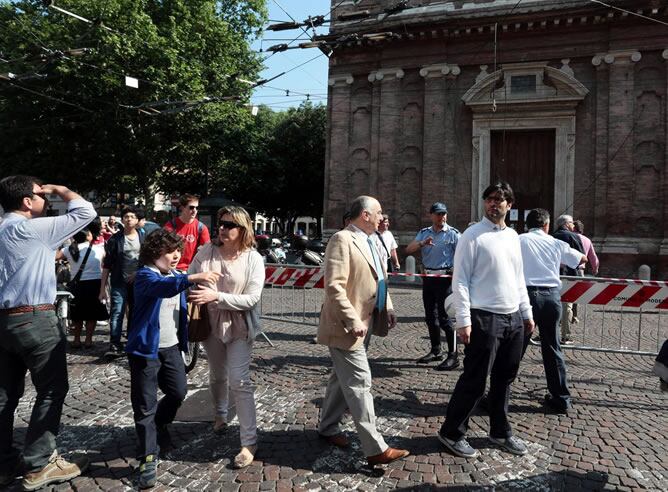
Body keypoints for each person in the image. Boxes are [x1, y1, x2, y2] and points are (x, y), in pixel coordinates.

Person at [0, 176, 95, 490]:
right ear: (27, 201)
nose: (46, 200)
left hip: (3, 321)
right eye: (39, 196)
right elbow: (85, 212)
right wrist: (60, 190)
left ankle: (2, 462)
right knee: (52, 390)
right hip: (34, 317)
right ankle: (40, 463)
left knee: (4, 396)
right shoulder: (31, 229)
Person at [437, 182, 534, 459]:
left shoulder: (514, 237)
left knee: (504, 379)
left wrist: (526, 313)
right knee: (475, 379)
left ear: (509, 205)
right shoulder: (472, 235)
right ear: (484, 203)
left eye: (500, 200)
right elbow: (461, 280)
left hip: (512, 317)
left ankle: (500, 431)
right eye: (490, 199)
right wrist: (464, 320)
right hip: (484, 317)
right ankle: (451, 432)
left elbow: (518, 279)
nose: (494, 204)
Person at [317, 195, 409, 468]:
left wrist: (388, 306)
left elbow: (380, 277)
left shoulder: (373, 240)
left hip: (366, 324)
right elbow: (334, 286)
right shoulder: (342, 239)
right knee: (359, 382)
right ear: (365, 215)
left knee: (339, 379)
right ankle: (375, 448)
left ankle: (327, 427)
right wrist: (352, 319)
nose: (383, 216)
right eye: (379, 212)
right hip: (348, 326)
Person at [126, 229, 220, 488]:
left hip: (171, 348)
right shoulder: (146, 276)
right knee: (144, 404)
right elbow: (162, 288)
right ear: (155, 254)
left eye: (178, 249)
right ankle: (147, 457)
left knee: (178, 392)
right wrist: (193, 277)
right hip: (145, 350)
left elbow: (179, 289)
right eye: (170, 251)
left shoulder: (176, 275)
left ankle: (160, 423)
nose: (176, 255)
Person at [188, 206, 265, 469]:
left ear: (243, 229)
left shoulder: (253, 258)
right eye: (221, 223)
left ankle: (249, 441)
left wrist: (217, 296)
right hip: (209, 324)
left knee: (240, 381)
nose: (222, 228)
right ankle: (220, 415)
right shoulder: (206, 251)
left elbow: (253, 298)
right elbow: (191, 277)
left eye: (229, 225)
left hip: (239, 326)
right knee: (216, 374)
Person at [519, 209, 586, 414]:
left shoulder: (518, 240)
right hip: (551, 298)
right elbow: (582, 259)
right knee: (553, 348)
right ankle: (561, 398)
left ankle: (497, 395)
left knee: (515, 348)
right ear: (546, 225)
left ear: (527, 225)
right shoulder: (556, 242)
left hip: (526, 297)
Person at [406, 202, 460, 370]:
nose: (441, 217)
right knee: (431, 316)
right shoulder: (424, 233)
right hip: (428, 279)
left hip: (445, 280)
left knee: (445, 318)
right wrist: (422, 243)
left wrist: (455, 269)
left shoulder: (453, 234)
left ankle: (453, 355)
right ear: (431, 215)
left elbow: (465, 255)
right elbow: (408, 249)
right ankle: (436, 350)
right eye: (438, 214)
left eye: (444, 214)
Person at [100, 206, 145, 356]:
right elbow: (107, 265)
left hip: (138, 282)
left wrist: (139, 273)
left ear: (137, 220)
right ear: (122, 220)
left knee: (135, 312)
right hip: (119, 281)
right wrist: (102, 289)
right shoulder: (115, 239)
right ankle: (114, 344)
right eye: (126, 216)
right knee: (117, 312)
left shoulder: (143, 237)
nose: (129, 219)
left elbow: (148, 260)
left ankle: (132, 340)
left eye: (132, 216)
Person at [58, 221, 108, 349]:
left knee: (77, 314)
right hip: (95, 284)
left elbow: (54, 257)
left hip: (76, 285)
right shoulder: (98, 249)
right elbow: (107, 264)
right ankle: (89, 340)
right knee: (92, 315)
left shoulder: (69, 250)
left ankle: (76, 340)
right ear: (88, 235)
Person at [552, 215, 585, 345]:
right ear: (566, 224)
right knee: (567, 305)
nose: (573, 225)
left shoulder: (552, 237)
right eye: (572, 223)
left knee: (554, 304)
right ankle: (565, 335)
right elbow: (581, 257)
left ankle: (549, 332)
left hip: (554, 275)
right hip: (569, 276)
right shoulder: (573, 237)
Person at [163, 194, 211, 271]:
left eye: (197, 208)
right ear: (182, 207)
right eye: (191, 207)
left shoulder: (201, 228)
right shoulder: (170, 226)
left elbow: (207, 250)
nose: (195, 210)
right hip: (171, 269)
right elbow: (162, 247)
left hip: (191, 269)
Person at [571, 219, 599, 324]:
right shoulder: (587, 240)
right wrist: (595, 268)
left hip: (568, 268)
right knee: (576, 294)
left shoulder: (570, 238)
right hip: (580, 270)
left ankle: (565, 315)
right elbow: (593, 256)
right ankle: (574, 315)